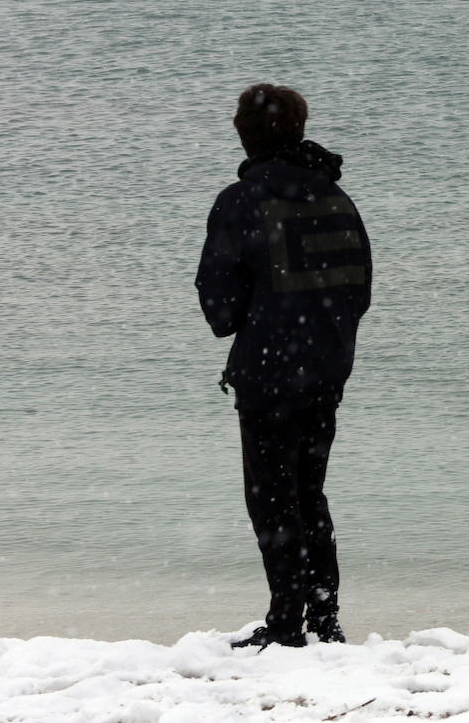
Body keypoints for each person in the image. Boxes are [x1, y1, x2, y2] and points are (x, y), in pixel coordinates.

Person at [196, 83, 373, 650]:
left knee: (273, 499)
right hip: (327, 368)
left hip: (269, 373)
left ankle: (286, 624)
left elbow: (219, 309)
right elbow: (359, 292)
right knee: (309, 491)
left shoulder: (242, 201)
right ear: (298, 128)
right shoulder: (337, 199)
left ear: (244, 133)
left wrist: (265, 319)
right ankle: (324, 619)